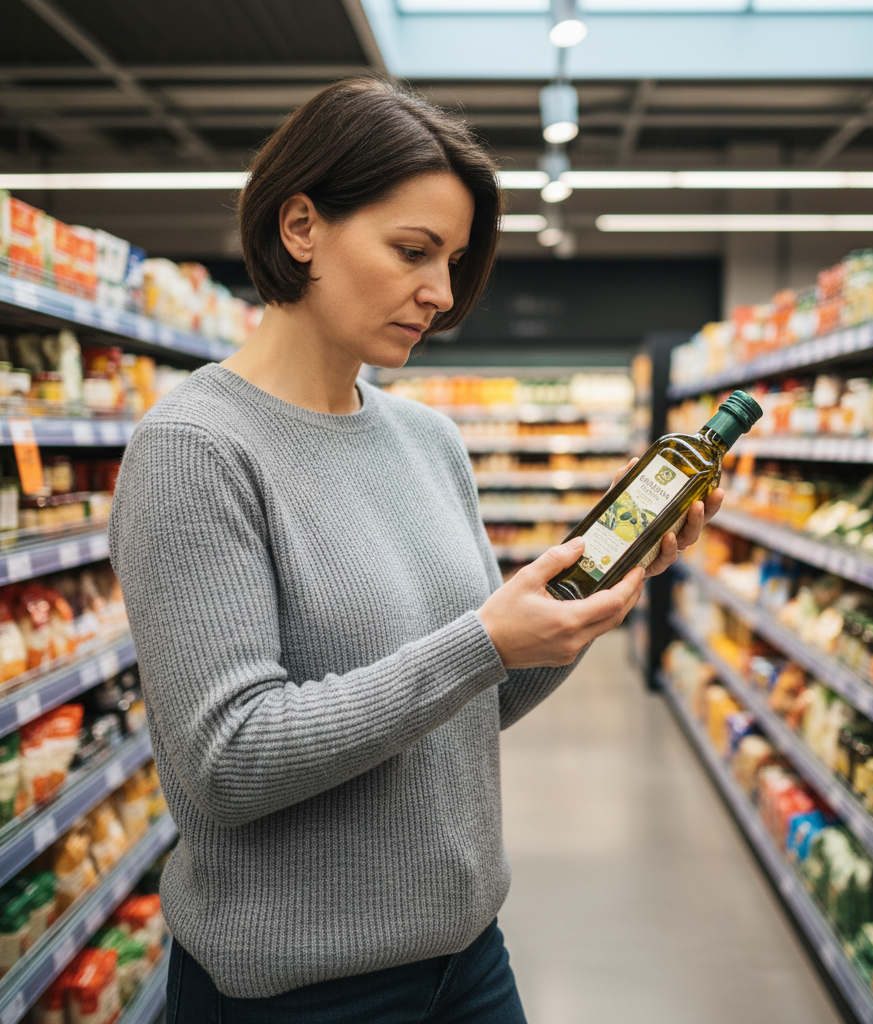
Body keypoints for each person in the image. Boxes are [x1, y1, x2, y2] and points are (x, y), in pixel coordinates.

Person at [109, 74, 722, 1023]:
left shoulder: (427, 440)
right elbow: (225, 763)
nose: (440, 293)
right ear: (301, 225)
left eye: (454, 260)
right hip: (298, 995)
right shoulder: (195, 450)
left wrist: (585, 605)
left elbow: (474, 703)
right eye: (412, 251)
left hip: (470, 961)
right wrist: (481, 640)